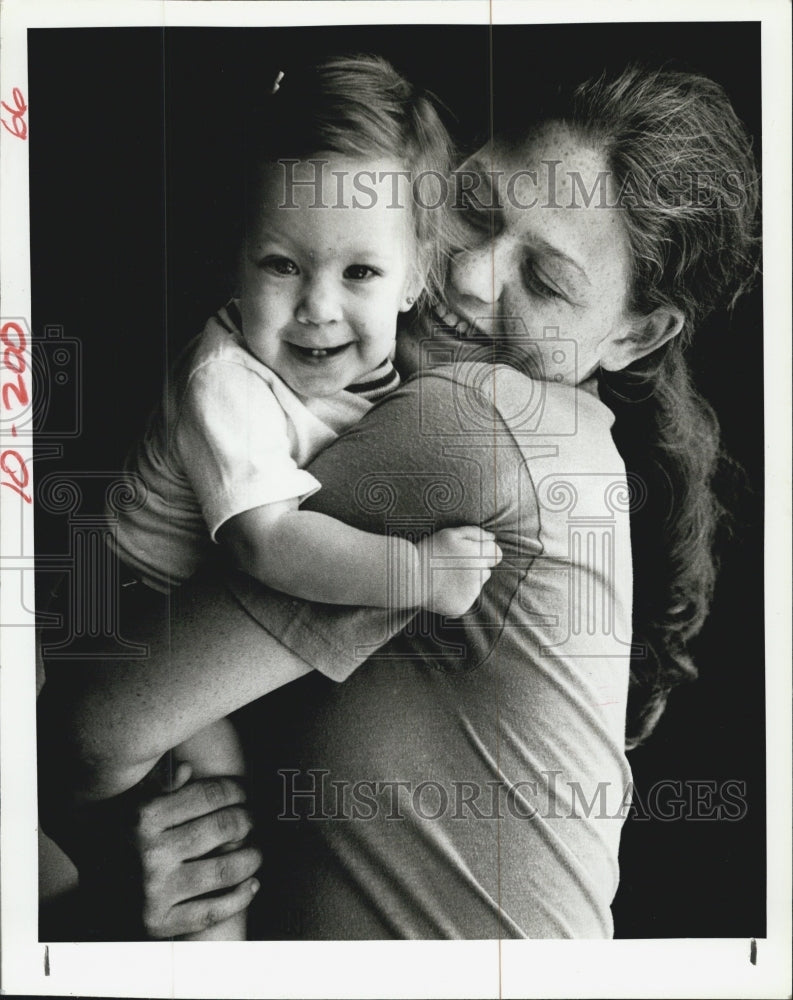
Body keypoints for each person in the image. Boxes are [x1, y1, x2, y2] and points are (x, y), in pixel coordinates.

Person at [37, 63, 759, 940]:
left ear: (636, 334)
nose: (471, 277)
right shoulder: (537, 439)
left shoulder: (476, 419)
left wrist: (103, 848)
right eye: (476, 206)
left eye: (546, 281)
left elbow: (89, 733)